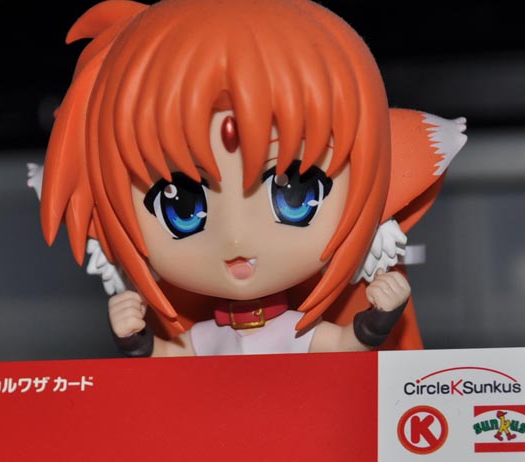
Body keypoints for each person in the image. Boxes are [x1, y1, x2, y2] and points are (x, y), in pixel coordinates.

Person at [37, 0, 465, 357]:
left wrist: (381, 317)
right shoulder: (209, 337)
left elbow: (349, 344)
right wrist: (134, 339)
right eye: (181, 206)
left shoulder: (296, 331)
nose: (235, 237)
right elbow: (167, 357)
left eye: (294, 195)